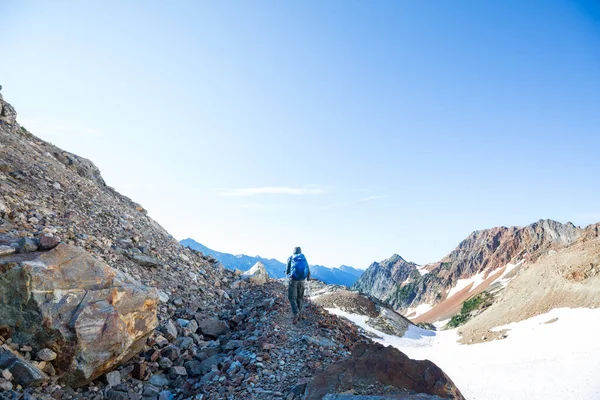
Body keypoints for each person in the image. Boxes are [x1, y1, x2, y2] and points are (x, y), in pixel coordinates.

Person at [286, 246, 311, 324]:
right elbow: (308, 268)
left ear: (293, 251)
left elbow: (287, 270)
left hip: (293, 280)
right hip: (302, 280)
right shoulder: (303, 258)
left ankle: (296, 313)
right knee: (300, 297)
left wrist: (288, 273)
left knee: (291, 297)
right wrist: (308, 277)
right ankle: (299, 314)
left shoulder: (291, 258)